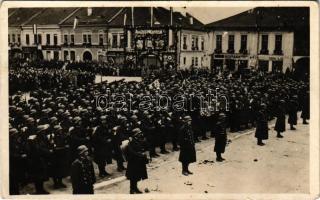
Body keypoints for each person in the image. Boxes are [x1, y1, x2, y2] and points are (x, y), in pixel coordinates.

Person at [125, 128, 149, 194]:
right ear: (135, 134)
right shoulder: (132, 142)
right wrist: (140, 154)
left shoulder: (140, 140)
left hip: (139, 161)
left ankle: (135, 188)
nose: (141, 134)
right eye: (139, 133)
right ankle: (132, 189)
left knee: (137, 176)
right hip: (133, 161)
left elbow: (144, 147)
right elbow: (131, 152)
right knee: (133, 176)